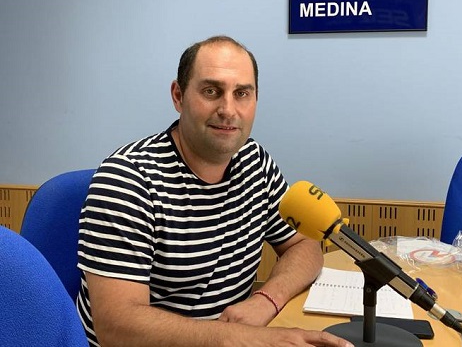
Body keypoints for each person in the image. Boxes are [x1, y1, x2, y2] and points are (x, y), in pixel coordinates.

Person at [77, 35, 353, 347]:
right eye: (211, 91)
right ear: (178, 96)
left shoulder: (255, 162)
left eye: (242, 94)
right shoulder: (128, 179)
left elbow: (304, 246)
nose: (228, 109)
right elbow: (117, 327)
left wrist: (266, 300)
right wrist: (245, 339)